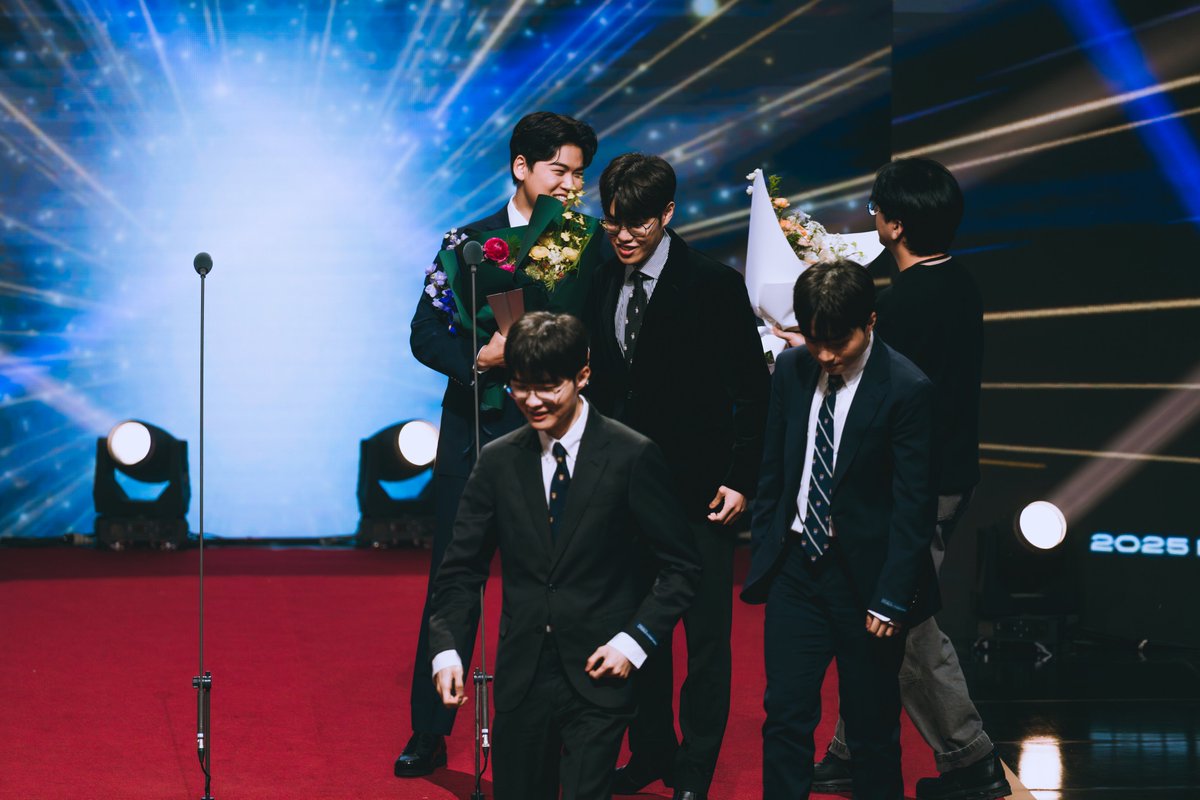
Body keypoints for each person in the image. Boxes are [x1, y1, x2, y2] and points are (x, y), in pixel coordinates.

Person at [397, 111, 598, 777]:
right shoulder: (467, 240)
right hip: (475, 433)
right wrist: (479, 359)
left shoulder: (585, 241)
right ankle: (430, 731)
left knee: (558, 581)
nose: (572, 185)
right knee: (454, 579)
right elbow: (425, 332)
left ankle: (558, 728)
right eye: (559, 171)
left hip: (559, 432)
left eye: (579, 174)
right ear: (521, 167)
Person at [428, 311, 701, 800]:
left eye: (548, 387)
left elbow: (680, 568)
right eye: (519, 387)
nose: (532, 401)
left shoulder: (631, 455)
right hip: (520, 680)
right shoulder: (497, 462)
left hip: (600, 674)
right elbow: (460, 570)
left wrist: (633, 643)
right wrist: (445, 648)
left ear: (583, 375)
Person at [805, 158, 1010, 800]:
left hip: (915, 485)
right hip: (949, 475)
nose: (870, 221)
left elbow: (875, 394)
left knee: (904, 619)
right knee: (885, 608)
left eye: (874, 211)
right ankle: (848, 748)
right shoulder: (961, 285)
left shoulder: (906, 303)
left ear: (894, 225)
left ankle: (970, 758)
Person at [585, 153, 770, 800]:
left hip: (700, 496)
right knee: (641, 635)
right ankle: (651, 753)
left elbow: (752, 393)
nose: (625, 235)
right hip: (622, 499)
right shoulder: (599, 279)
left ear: (667, 213)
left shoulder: (712, 285)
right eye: (612, 224)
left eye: (638, 223)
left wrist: (742, 479)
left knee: (705, 646)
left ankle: (694, 771)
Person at [743, 260, 938, 800]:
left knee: (872, 729)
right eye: (814, 340)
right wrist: (769, 548)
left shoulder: (906, 389)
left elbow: (912, 505)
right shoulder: (790, 371)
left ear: (869, 321)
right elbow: (774, 470)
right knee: (784, 717)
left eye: (837, 342)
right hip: (796, 571)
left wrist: (893, 598)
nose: (825, 355)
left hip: (867, 582)